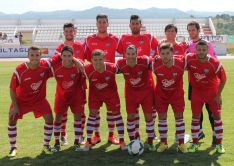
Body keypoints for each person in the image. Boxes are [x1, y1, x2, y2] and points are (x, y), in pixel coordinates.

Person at [8, 46, 55, 157]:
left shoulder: (45, 66)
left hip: (39, 100)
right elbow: (12, 89)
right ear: (28, 56)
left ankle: (46, 145)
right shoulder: (20, 69)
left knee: (49, 119)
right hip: (22, 101)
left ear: (41, 56)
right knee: (11, 120)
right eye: (32, 55)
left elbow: (58, 58)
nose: (35, 58)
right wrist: (15, 106)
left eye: (37, 55)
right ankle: (13, 147)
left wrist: (76, 61)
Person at [117, 15, 159, 139]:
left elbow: (158, 50)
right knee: (132, 111)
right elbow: (120, 53)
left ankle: (151, 134)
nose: (135, 26)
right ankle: (135, 134)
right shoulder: (124, 38)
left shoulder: (148, 37)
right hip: (130, 78)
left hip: (146, 78)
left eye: (137, 24)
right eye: (133, 24)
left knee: (150, 111)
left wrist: (153, 59)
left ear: (141, 25)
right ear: (129, 25)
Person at [83, 14, 120, 145]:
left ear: (107, 24)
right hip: (94, 79)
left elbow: (125, 53)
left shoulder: (115, 39)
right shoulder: (89, 39)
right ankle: (96, 135)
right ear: (97, 24)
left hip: (109, 78)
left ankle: (111, 135)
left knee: (111, 110)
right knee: (94, 110)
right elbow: (85, 56)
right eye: (100, 22)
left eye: (104, 22)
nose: (102, 24)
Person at [186, 40, 226, 154]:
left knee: (217, 117)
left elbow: (223, 79)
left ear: (208, 50)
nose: (201, 52)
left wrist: (218, 95)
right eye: (199, 50)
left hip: (212, 93)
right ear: (195, 50)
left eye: (203, 50)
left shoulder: (214, 62)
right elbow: (178, 61)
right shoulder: (189, 58)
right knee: (195, 117)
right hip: (197, 93)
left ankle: (219, 143)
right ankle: (194, 142)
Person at [83, 49, 126, 151]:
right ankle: (90, 140)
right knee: (92, 114)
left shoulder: (112, 68)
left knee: (116, 114)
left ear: (105, 59)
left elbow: (126, 67)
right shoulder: (87, 69)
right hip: (95, 95)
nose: (98, 62)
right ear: (91, 60)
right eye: (95, 60)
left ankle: (121, 141)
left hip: (111, 94)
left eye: (100, 59)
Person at [117, 45, 155, 151]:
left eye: (133, 54)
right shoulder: (120, 63)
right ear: (125, 54)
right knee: (130, 117)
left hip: (146, 92)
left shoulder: (145, 60)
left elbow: (156, 62)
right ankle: (133, 141)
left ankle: (150, 141)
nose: (131, 56)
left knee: (149, 117)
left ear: (137, 54)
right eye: (128, 54)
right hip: (131, 93)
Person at [152, 42, 187, 153]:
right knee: (162, 118)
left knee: (179, 118)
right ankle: (164, 143)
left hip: (177, 95)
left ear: (173, 53)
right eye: (162, 53)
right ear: (159, 54)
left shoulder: (181, 63)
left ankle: (181, 144)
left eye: (168, 53)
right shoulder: (154, 63)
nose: (165, 56)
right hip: (161, 95)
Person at [55, 22, 86, 146]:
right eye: (66, 31)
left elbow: (84, 62)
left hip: (79, 84)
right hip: (64, 84)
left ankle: (80, 135)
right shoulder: (60, 47)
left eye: (71, 31)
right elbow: (57, 60)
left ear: (75, 32)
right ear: (64, 33)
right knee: (62, 112)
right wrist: (74, 59)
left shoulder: (81, 46)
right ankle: (63, 135)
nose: (69, 33)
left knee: (80, 111)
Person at [186, 21, 217, 146]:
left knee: (211, 110)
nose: (191, 32)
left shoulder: (206, 44)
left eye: (193, 30)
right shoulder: (188, 45)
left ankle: (216, 134)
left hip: (208, 84)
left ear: (199, 30)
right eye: (189, 30)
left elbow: (213, 63)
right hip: (193, 83)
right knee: (197, 110)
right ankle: (199, 131)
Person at [50, 46, 86, 152]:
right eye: (64, 56)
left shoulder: (79, 66)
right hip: (61, 96)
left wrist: (77, 61)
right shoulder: (55, 67)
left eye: (69, 56)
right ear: (61, 56)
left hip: (76, 96)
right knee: (57, 119)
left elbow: (84, 74)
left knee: (78, 119)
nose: (67, 58)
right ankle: (57, 143)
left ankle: (77, 143)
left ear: (73, 56)